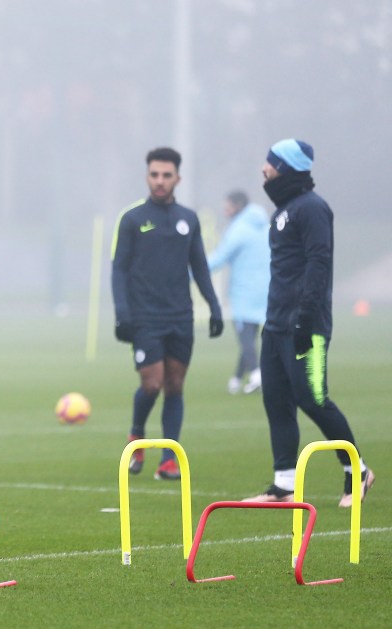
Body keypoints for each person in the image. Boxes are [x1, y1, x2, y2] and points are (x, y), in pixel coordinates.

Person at [243, 139, 375, 507]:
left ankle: (357, 472)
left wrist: (305, 319)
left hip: (307, 327)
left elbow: (319, 265)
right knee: (276, 401)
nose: (264, 170)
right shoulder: (282, 211)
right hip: (275, 326)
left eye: (270, 163)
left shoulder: (313, 209)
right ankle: (283, 485)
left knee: (314, 399)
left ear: (286, 167)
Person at [111, 147, 223, 480]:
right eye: (154, 175)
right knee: (152, 384)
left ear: (177, 178)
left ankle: (169, 459)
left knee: (175, 384)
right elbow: (119, 270)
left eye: (166, 175)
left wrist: (214, 306)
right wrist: (122, 313)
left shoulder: (188, 219)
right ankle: (136, 435)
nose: (160, 181)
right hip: (145, 317)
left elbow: (200, 266)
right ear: (147, 176)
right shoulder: (132, 219)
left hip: (181, 317)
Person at [207, 190, 271, 395]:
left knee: (244, 336)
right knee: (250, 337)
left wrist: (188, 272)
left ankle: (256, 374)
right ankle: (236, 380)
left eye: (227, 206)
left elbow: (219, 258)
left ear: (238, 205)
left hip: (244, 291)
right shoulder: (264, 225)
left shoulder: (239, 229)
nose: (225, 210)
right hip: (266, 289)